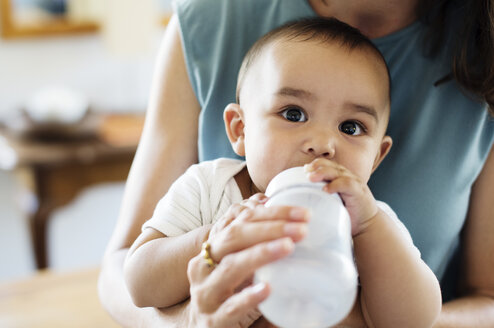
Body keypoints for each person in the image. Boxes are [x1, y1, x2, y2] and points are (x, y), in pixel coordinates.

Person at [98, 0, 494, 327]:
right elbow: (137, 280)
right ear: (239, 129)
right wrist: (210, 244)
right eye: (292, 114)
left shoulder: (367, 223)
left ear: (377, 157)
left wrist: (372, 230)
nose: (323, 144)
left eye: (351, 127)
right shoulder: (208, 188)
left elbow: (416, 319)